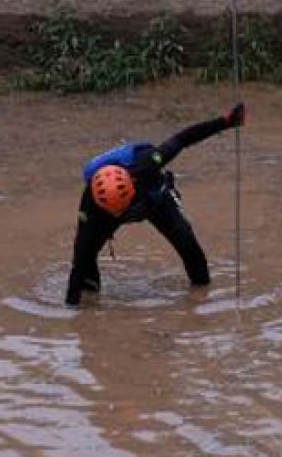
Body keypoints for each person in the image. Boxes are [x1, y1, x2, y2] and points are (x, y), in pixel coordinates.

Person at [65, 103, 245, 307]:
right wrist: (72, 316)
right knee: (85, 257)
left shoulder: (147, 164)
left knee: (187, 242)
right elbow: (78, 260)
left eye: (123, 208)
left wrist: (226, 122)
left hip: (154, 202)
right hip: (106, 215)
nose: (121, 214)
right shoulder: (91, 207)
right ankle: (90, 301)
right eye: (117, 211)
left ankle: (201, 295)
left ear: (132, 186)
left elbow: (183, 139)